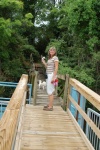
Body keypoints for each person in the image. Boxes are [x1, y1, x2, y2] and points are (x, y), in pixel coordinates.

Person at [41, 47, 59, 111]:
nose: (51, 51)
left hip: (51, 75)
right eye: (50, 50)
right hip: (48, 75)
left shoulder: (55, 58)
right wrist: (43, 62)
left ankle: (50, 107)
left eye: (53, 50)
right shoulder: (50, 58)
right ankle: (49, 105)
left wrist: (54, 77)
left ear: (55, 51)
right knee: (49, 90)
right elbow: (47, 67)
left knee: (50, 91)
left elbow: (56, 67)